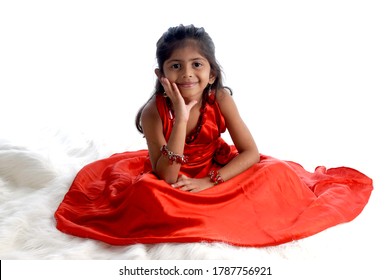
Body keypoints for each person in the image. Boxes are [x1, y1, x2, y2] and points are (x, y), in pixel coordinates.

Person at [55, 24, 373, 247]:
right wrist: (180, 119)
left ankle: (214, 205)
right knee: (149, 195)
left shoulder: (220, 99)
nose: (187, 74)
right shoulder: (155, 112)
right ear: (161, 74)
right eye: (175, 66)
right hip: (173, 177)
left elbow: (250, 153)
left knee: (276, 172)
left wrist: (212, 181)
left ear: (212, 73)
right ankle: (199, 212)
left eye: (196, 64)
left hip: (214, 171)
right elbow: (165, 176)